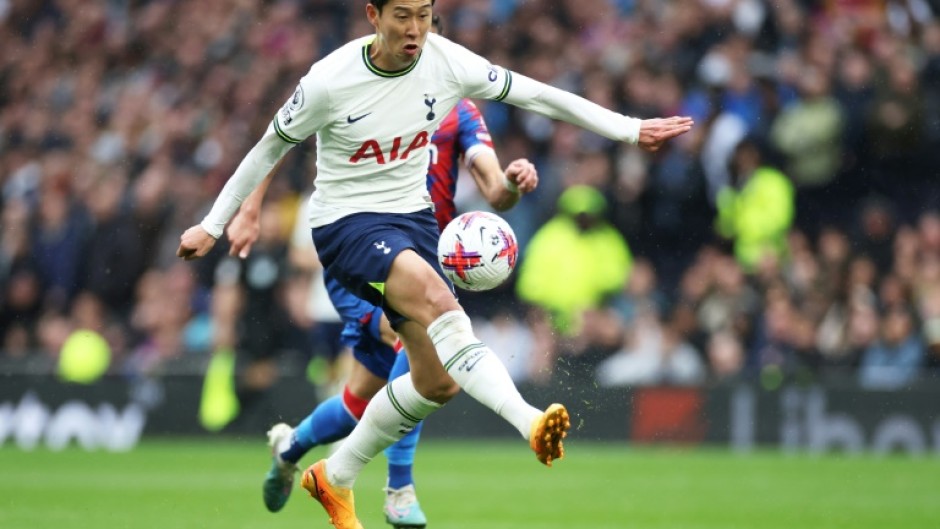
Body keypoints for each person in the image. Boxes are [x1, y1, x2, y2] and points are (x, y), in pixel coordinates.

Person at [176, 1, 693, 527]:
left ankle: (332, 475)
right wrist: (214, 224)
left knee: (434, 382)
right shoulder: (329, 80)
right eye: (403, 15)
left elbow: (536, 93)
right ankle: (522, 425)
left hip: (416, 226)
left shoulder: (448, 66)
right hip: (348, 226)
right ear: (372, 14)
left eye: (424, 14)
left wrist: (629, 130)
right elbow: (269, 147)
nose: (416, 29)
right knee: (438, 305)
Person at [225, 15, 539, 528]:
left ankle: (289, 450)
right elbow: (281, 140)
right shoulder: (363, 90)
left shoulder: (460, 110)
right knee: (411, 339)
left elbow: (493, 189)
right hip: (364, 250)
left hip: (422, 259)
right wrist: (250, 207)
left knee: (358, 402)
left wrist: (512, 182)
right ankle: (399, 488)